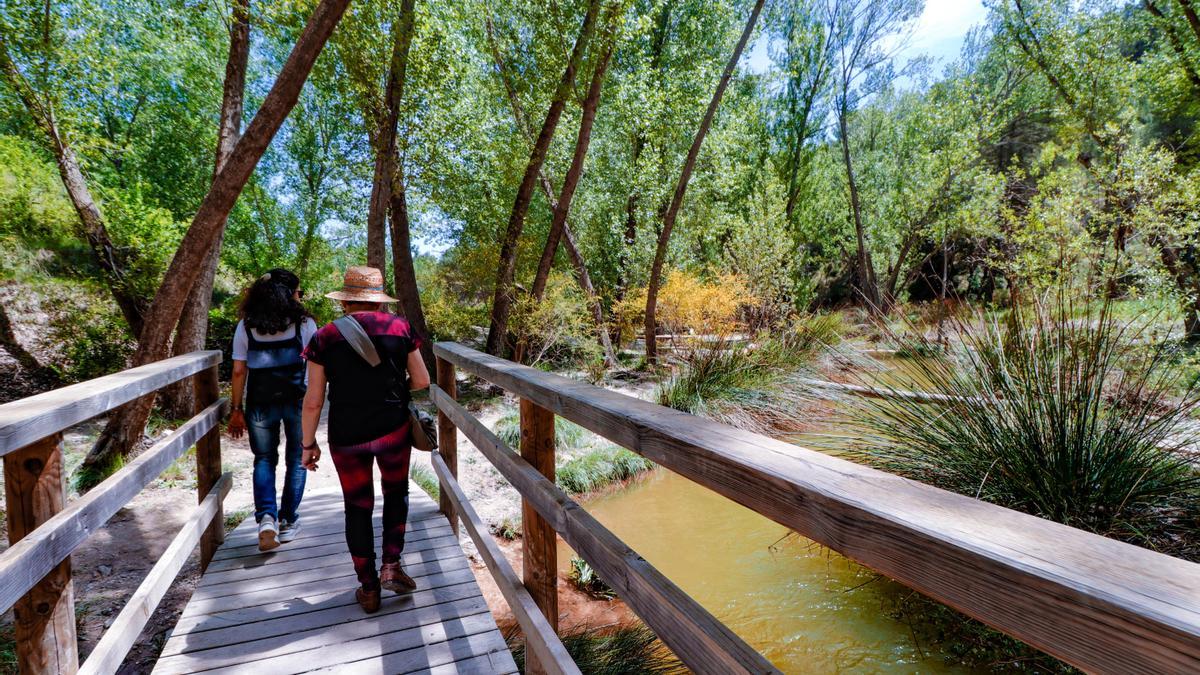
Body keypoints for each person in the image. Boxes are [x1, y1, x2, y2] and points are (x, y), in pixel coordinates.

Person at [300, 266, 430, 614]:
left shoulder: (324, 337)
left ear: (345, 301)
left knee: (357, 507)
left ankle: (368, 587)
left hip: (347, 436)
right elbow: (421, 380)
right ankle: (391, 564)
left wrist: (307, 443)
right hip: (392, 430)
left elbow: (313, 399)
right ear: (379, 301)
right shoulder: (400, 328)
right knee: (395, 493)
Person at [228, 269, 318, 552]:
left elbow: (239, 370)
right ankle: (288, 520)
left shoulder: (246, 325)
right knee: (297, 458)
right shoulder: (304, 324)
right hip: (296, 401)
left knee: (264, 459)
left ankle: (267, 517)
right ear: (291, 294)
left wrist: (236, 408)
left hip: (259, 402)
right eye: (298, 292)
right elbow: (314, 369)